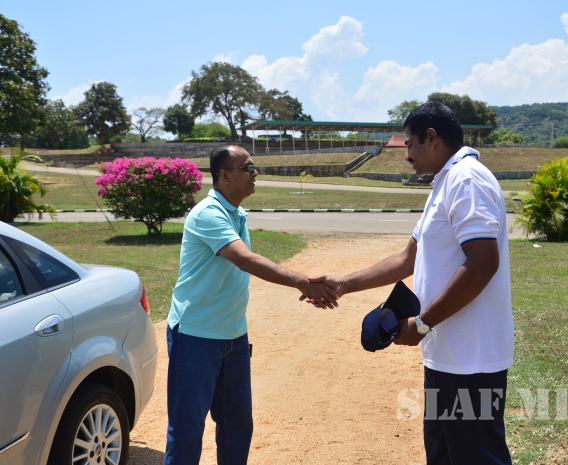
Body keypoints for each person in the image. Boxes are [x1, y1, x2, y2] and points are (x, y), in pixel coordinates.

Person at [310, 102, 514, 464]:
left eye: (409, 144)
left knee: (476, 456)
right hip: (447, 356)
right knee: (443, 455)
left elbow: (482, 264)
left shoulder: (467, 179)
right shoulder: (445, 183)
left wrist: (422, 323)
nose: (406, 155)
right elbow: (407, 259)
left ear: (431, 138)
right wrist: (342, 284)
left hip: (472, 360)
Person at [164, 145, 340, 465]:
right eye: (248, 167)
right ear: (225, 175)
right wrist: (302, 282)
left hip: (233, 336)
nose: (254, 172)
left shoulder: (236, 213)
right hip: (195, 337)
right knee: (187, 430)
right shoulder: (208, 213)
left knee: (237, 426)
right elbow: (244, 260)